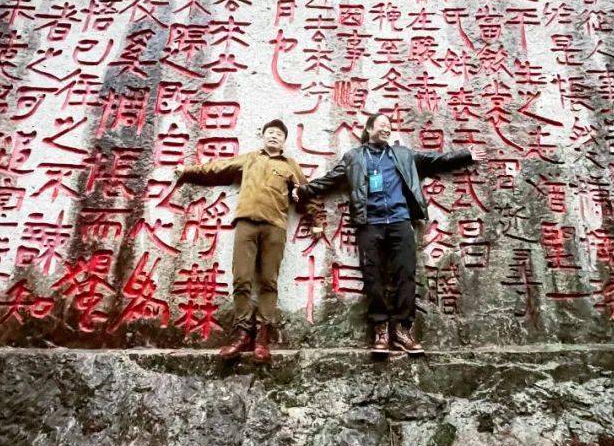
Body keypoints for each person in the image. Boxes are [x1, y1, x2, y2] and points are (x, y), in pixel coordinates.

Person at [295, 113, 484, 355]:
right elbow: (331, 179)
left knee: (405, 274)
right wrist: (304, 190)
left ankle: (402, 330)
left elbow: (435, 160)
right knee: (372, 276)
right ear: (369, 128)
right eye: (382, 125)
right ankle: (381, 329)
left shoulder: (402, 154)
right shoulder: (354, 157)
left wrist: (465, 155)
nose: (387, 129)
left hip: (400, 220)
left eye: (389, 126)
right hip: (369, 222)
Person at [174, 119, 312, 362]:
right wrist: (187, 171)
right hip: (246, 224)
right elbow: (218, 168)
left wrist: (317, 218)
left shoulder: (290, 165)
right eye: (270, 132)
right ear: (263, 135)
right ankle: (241, 334)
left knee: (269, 281)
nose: (273, 137)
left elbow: (307, 193)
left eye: (278, 134)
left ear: (284, 140)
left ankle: (262, 338)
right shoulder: (249, 159)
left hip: (275, 227)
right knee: (242, 279)